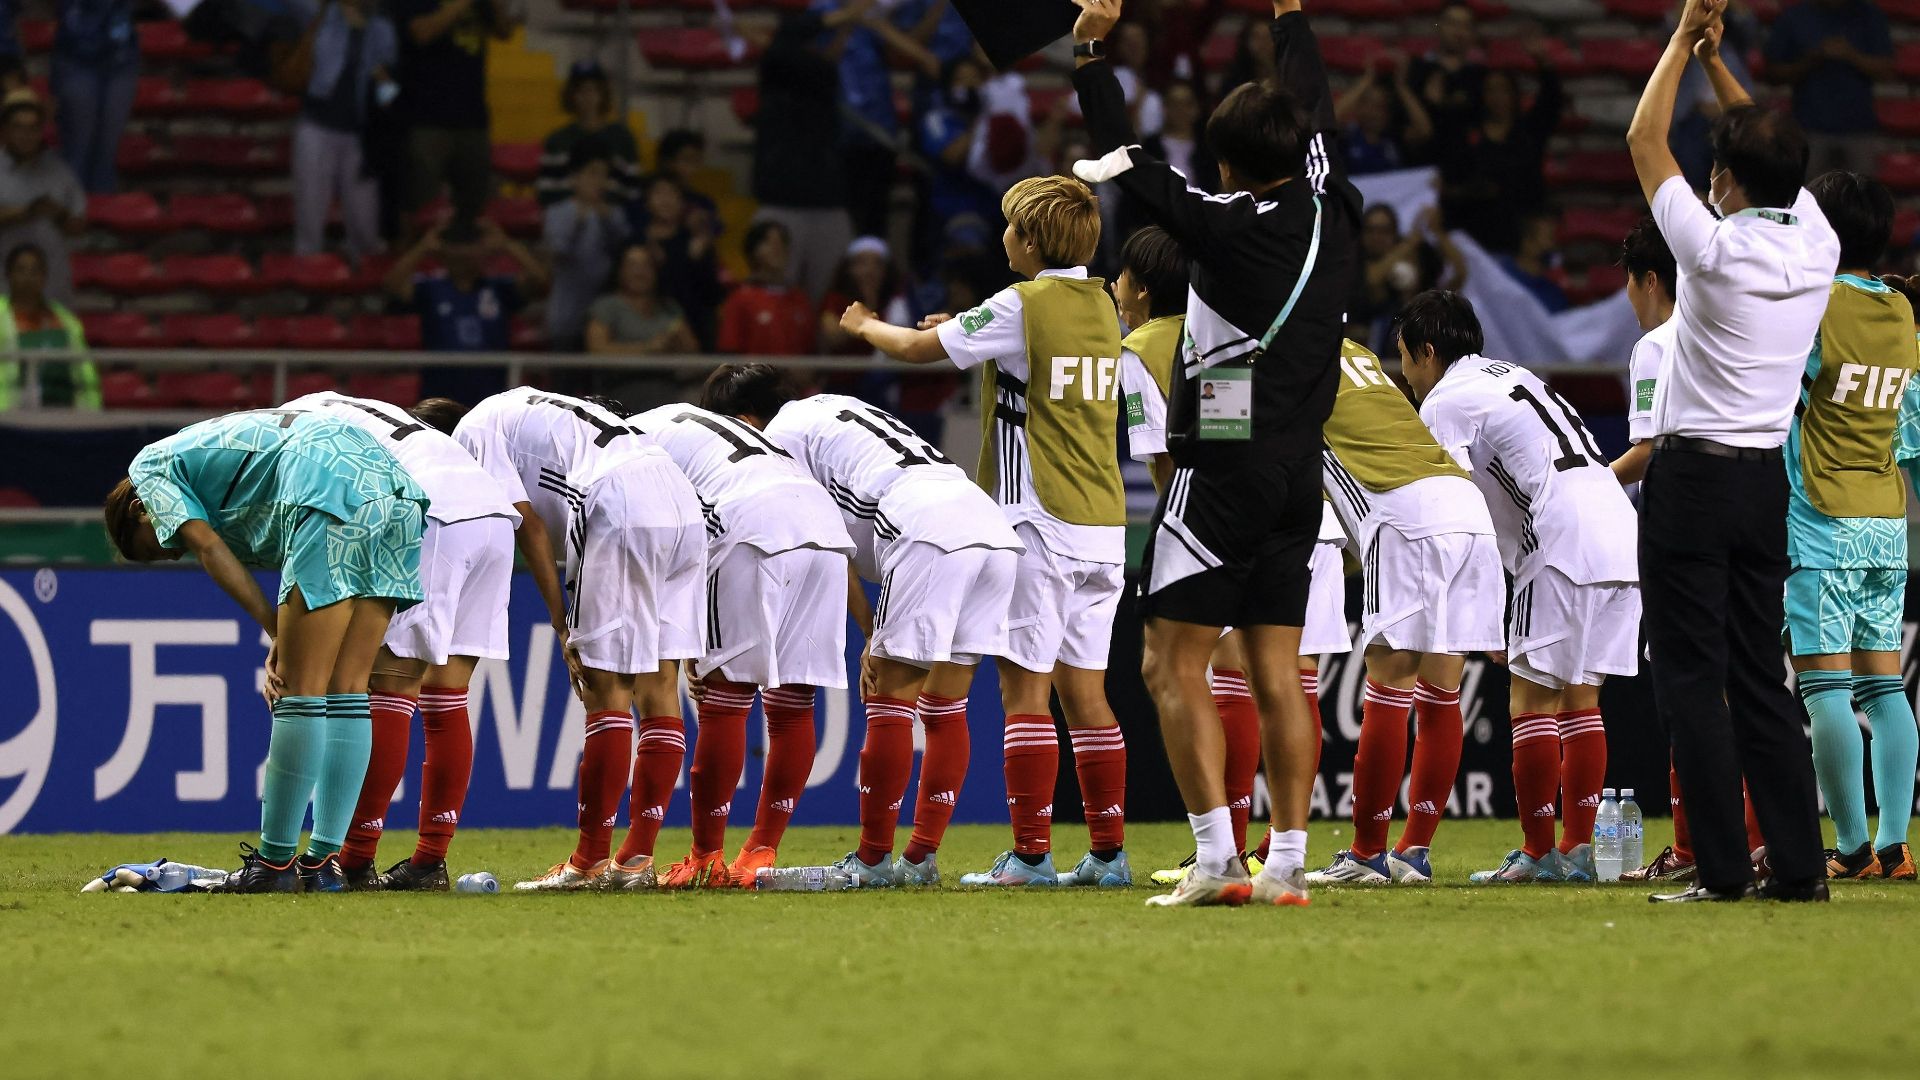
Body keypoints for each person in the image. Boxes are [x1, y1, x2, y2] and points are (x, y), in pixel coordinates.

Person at [1069, 0, 1363, 907]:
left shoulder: (1223, 223)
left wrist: (1091, 52)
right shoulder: (1337, 209)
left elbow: (1125, 161)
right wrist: (1291, 19)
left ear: (1227, 164)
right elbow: (1316, 111)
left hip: (1223, 470)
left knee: (1169, 662)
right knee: (1278, 672)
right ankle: (1287, 865)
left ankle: (1215, 861)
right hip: (1301, 476)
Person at [838, 173, 1132, 889]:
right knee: (1087, 695)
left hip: (1039, 518)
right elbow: (1023, 353)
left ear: (1028, 241)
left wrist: (864, 325)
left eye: (1010, 226)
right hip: (1105, 522)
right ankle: (1108, 855)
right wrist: (964, 329)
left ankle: (1031, 857)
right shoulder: (1103, 304)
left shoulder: (1021, 303)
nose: (1003, 236)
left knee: (1026, 694)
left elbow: (913, 351)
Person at [1625, 0, 1838, 903]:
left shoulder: (1709, 250)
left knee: (1689, 680)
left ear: (1724, 180)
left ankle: (1720, 873)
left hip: (1692, 482)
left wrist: (1682, 39)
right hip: (1764, 487)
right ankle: (1799, 868)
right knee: (1760, 680)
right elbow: (1773, 157)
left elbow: (1643, 138)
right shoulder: (1819, 242)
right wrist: (1719, 63)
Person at [701, 365, 1024, 885]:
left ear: (743, 422)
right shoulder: (832, 408)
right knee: (946, 706)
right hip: (990, 527)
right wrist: (873, 629)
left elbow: (822, 538)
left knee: (888, 698)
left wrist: (872, 631)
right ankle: (919, 860)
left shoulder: (776, 440)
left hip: (926, 528)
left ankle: (872, 861)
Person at [1108, 226, 1352, 885]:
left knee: (1206, 672)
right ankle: (1284, 854)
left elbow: (1171, 462)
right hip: (1303, 510)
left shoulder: (1142, 347)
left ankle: (1227, 851)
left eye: (1122, 277)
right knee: (1289, 678)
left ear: (1142, 289)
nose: (1115, 288)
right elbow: (1235, 424)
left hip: (1223, 521)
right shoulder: (1243, 330)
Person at [104, 411, 429, 892]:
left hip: (327, 483)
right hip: (394, 492)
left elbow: (209, 548)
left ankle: (273, 865)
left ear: (138, 509)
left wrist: (277, 631)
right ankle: (324, 865)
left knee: (299, 692)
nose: (173, 550)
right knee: (349, 689)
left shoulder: (150, 468)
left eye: (157, 547)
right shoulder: (205, 464)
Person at [1401, 290, 1640, 884]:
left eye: (1403, 357)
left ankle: (1538, 853)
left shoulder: (1444, 401)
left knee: (1530, 700)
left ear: (1427, 352)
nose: (1405, 375)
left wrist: (1480, 607)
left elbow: (1451, 504)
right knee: (1581, 697)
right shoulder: (1511, 374)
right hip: (1617, 517)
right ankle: (1577, 850)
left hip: (1558, 531)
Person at [445, 389, 708, 890]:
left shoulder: (471, 432)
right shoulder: (525, 408)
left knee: (606, 689)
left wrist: (561, 622)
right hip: (679, 496)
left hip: (619, 498)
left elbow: (529, 528)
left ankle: (587, 863)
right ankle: (636, 863)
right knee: (659, 687)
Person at [280, 391, 521, 891]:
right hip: (495, 521)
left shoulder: (290, 433)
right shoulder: (364, 411)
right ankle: (429, 862)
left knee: (390, 686)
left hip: (433, 512)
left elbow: (313, 528)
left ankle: (353, 860)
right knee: (447, 696)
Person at [625, 400, 855, 888]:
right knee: (794, 703)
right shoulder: (695, 424)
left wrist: (688, 640)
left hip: (749, 525)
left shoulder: (625, 446)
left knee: (724, 700)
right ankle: (760, 851)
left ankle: (705, 857)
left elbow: (661, 538)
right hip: (826, 530)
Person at [1304, 336, 1502, 887]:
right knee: (1442, 689)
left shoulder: (1279, 356)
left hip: (1404, 512)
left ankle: (1366, 854)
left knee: (1388, 684)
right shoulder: (1356, 353)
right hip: (1466, 507)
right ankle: (1413, 853)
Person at [1786, 171, 1918, 882]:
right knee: (1886, 689)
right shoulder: (1902, 311)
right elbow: (1913, 428)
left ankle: (1851, 849)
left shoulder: (1812, 306)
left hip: (1821, 520)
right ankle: (1895, 846)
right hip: (1887, 524)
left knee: (1826, 689)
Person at [749, 2, 863, 300]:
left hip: (828, 203)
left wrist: (845, 28)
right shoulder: (777, 68)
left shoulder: (823, 79)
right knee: (774, 297)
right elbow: (787, 38)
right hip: (782, 202)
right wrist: (846, 15)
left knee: (835, 299)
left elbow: (827, 61)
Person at [383, 218, 550, 402]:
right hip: (440, 389)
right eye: (457, 248)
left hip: (490, 389)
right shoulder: (431, 289)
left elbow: (540, 281)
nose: (463, 254)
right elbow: (391, 285)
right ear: (444, 253)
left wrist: (507, 244)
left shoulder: (499, 289)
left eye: (470, 247)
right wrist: (424, 247)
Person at [392, 0, 518, 230]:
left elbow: (505, 31)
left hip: (473, 118)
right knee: (422, 211)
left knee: (474, 213)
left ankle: (465, 250)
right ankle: (419, 254)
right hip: (428, 119)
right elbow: (422, 32)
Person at [287, 0, 397, 261]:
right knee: (310, 215)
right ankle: (308, 274)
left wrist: (386, 90)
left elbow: (390, 89)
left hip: (359, 133)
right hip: (317, 125)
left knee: (364, 225)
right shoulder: (321, 15)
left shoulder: (382, 30)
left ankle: (362, 276)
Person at [1437, 51, 1563, 254]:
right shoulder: (1468, 135)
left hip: (1522, 234)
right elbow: (1452, 182)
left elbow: (1551, 104)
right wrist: (1470, 191)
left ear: (1514, 95)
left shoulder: (1529, 131)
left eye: (1503, 90)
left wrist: (1544, 62)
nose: (1497, 97)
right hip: (1477, 232)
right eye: (1490, 90)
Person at [1762, 0, 1893, 174]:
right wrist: (1811, 59)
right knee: (1807, 189)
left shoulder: (1870, 16)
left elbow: (1886, 71)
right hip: (1808, 128)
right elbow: (1772, 74)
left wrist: (1851, 55)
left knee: (1860, 190)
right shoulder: (1793, 17)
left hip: (1859, 129)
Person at [583, 244, 698, 409]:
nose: (639, 272)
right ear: (620, 270)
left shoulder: (669, 308)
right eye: (632, 265)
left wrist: (674, 343)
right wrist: (648, 348)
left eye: (646, 265)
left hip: (669, 391)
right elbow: (597, 350)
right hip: (620, 392)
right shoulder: (606, 306)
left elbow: (692, 350)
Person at [0, 90, 85, 305]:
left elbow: (78, 226)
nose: (26, 135)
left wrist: (60, 215)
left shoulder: (60, 171)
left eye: (33, 128)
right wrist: (27, 211)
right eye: (18, 127)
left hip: (52, 290)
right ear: (5, 130)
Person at [542, 152, 631, 351]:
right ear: (575, 178)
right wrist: (578, 225)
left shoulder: (614, 214)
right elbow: (557, 256)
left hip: (607, 318)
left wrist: (608, 221)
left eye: (604, 175)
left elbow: (624, 254)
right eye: (593, 173)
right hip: (566, 317)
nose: (599, 181)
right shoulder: (557, 212)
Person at [50, 0, 137, 194]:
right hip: (75, 54)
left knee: (107, 152)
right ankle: (71, 207)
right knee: (77, 147)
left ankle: (102, 203)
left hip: (121, 55)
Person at [630, 172, 723, 350]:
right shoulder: (635, 243)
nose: (665, 200)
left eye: (672, 193)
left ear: (682, 202)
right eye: (659, 193)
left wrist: (697, 261)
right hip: (643, 332)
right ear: (647, 202)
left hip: (693, 333)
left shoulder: (696, 242)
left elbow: (713, 296)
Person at [0, 243, 97, 410]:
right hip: (9, 416)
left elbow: (85, 371)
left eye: (35, 271)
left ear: (44, 276)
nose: (28, 277)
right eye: (21, 270)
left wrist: (91, 411)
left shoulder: (66, 320)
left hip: (65, 413)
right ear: (8, 275)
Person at [535, 60, 641, 208]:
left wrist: (605, 206)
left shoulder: (623, 138)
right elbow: (546, 193)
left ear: (603, 93)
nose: (587, 96)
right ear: (571, 95)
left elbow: (633, 191)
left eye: (593, 89)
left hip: (613, 217)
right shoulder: (556, 140)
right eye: (580, 90)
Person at [717, 221, 816, 356]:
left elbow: (810, 349)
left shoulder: (800, 299)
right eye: (769, 243)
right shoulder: (739, 300)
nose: (777, 248)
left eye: (782, 242)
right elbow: (730, 353)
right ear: (754, 252)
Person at [1334, 54, 1433, 176]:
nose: (1373, 113)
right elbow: (1330, 119)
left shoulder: (1394, 138)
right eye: (1367, 105)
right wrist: (1367, 80)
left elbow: (1424, 130)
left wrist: (1400, 86)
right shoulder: (1347, 135)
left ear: (1387, 112)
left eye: (1380, 107)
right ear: (1358, 108)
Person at [1497, 211, 1571, 313]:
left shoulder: (1554, 291)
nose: (1554, 227)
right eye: (1550, 237)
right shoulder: (1499, 276)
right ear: (1526, 241)